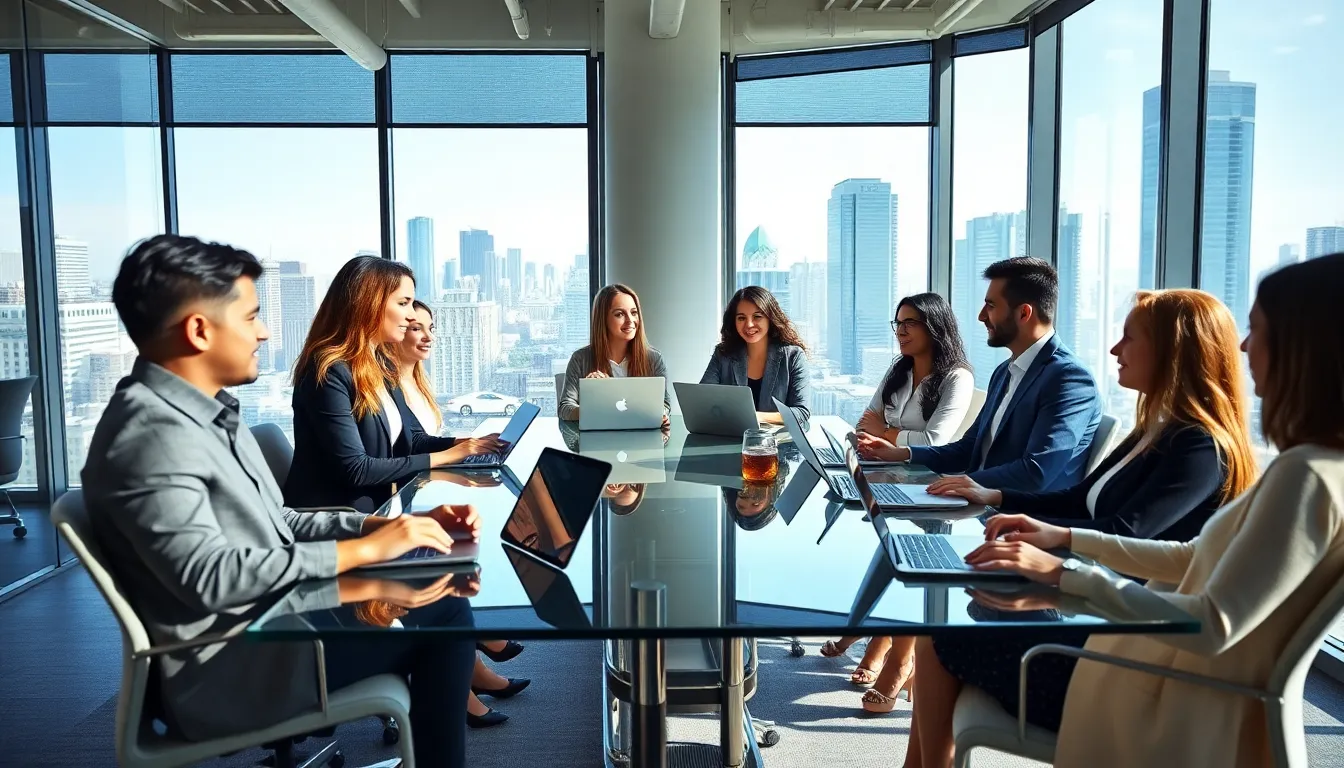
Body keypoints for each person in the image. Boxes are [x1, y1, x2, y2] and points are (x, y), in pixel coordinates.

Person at [902, 253, 1344, 768]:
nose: (1245, 347)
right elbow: (1193, 557)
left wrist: (1066, 577)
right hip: (1152, 660)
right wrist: (1061, 541)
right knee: (952, 629)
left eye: (1258, 330)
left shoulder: (1299, 475)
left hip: (1155, 685)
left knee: (942, 640)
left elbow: (1213, 623)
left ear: (1304, 347)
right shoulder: (1315, 467)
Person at [82, 235, 480, 768]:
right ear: (199, 330)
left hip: (271, 626)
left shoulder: (202, 415)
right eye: (251, 317)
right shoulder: (150, 435)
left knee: (436, 591)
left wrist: (377, 532)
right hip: (234, 669)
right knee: (445, 624)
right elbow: (213, 579)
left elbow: (282, 521)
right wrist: (362, 553)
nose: (265, 332)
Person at [929, 289, 1257, 540]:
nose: (1115, 349)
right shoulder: (1153, 430)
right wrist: (995, 497)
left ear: (1172, 352)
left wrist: (1031, 531)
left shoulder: (1200, 446)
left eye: (1129, 337)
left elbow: (1127, 532)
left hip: (1127, 612)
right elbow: (1080, 498)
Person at [822, 292, 975, 700]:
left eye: (911, 323)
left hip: (931, 491)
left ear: (935, 326)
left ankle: (893, 651)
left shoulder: (957, 378)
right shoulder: (898, 370)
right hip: (887, 477)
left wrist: (887, 433)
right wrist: (885, 437)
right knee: (882, 549)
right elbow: (862, 426)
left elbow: (936, 442)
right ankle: (878, 639)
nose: (901, 332)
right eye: (898, 323)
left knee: (907, 562)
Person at [394, 299, 530, 728]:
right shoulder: (373, 382)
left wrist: (466, 444)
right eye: (415, 326)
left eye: (429, 327)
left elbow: (415, 441)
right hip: (367, 514)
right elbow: (377, 459)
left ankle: (475, 672)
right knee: (445, 551)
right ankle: (470, 677)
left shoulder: (402, 383)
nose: (426, 335)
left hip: (393, 500)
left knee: (457, 539)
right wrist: (456, 452)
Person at [857, 257, 1101, 493]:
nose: (981, 316)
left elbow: (1037, 472)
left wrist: (965, 482)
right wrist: (903, 453)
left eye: (991, 306)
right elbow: (968, 448)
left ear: (1024, 314)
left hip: (1019, 522)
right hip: (979, 504)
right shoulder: (1005, 372)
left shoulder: (1069, 379)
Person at [285, 255, 503, 513]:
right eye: (404, 303)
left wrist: (466, 444)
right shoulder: (327, 371)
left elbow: (412, 439)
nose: (411, 315)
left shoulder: (380, 365)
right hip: (336, 523)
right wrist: (448, 456)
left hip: (378, 513)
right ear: (369, 304)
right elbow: (356, 469)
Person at [558, 283, 671, 426]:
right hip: (596, 442)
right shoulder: (580, 359)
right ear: (603, 319)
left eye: (634, 312)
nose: (630, 321)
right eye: (620, 314)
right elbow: (565, 409)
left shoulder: (654, 359)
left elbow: (665, 404)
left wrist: (661, 413)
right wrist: (592, 397)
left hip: (641, 440)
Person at [699, 285, 811, 427]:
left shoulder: (793, 357)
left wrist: (753, 416)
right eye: (741, 318)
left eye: (757, 316)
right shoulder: (723, 354)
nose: (749, 324)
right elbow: (704, 401)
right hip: (730, 440)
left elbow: (801, 412)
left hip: (779, 445)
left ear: (770, 318)